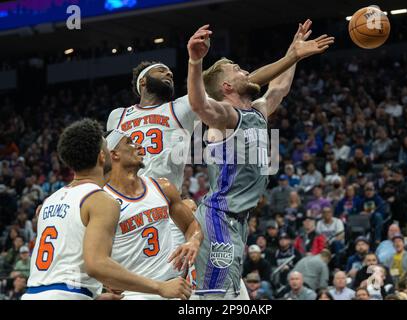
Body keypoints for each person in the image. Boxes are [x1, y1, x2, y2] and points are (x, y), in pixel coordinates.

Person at [106, 21, 316, 278]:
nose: (169, 74)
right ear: (142, 83)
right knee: (121, 278)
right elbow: (106, 160)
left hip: (166, 203)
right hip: (125, 201)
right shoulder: (117, 115)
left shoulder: (180, 107)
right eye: (161, 71)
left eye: (170, 71)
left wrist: (290, 57)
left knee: (174, 281)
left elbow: (240, 85)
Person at [186, 23, 334, 299]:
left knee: (231, 294)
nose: (246, 71)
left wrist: (295, 53)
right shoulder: (225, 118)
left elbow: (278, 88)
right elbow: (199, 105)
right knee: (213, 298)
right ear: (227, 86)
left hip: (239, 221)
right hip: (219, 217)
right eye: (239, 70)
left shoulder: (258, 111)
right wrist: (195, 61)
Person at [22, 119, 191, 300]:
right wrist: (159, 287)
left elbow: (62, 267)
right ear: (103, 156)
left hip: (33, 293)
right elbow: (97, 265)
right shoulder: (100, 200)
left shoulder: (49, 201)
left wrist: (96, 297)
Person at [103, 129, 203, 299]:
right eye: (129, 142)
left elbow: (191, 225)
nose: (139, 147)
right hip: (138, 292)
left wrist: (193, 241)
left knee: (191, 205)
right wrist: (105, 282)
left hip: (178, 286)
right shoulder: (101, 200)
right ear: (114, 154)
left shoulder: (162, 187)